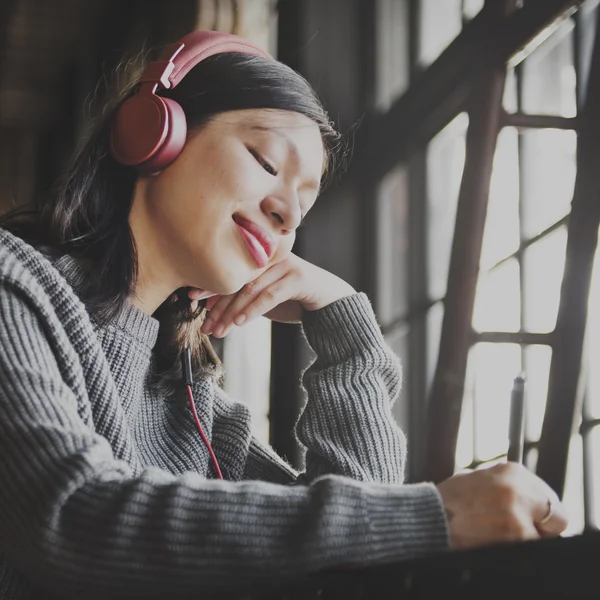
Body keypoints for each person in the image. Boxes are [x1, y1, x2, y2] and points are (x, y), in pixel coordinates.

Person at [0, 30, 567, 599]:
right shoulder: (14, 283)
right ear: (153, 134)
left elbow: (348, 567)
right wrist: (436, 516)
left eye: (306, 200)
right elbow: (70, 516)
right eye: (265, 161)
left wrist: (345, 330)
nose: (287, 212)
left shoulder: (195, 408)